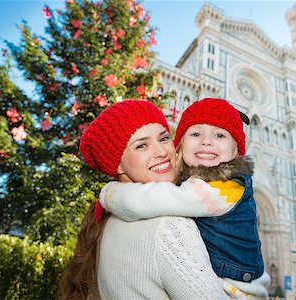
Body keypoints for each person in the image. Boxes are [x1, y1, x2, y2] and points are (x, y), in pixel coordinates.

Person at [99, 98, 270, 299]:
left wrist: (113, 194)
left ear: (236, 151)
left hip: (242, 288)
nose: (207, 141)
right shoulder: (171, 227)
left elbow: (159, 199)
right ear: (180, 144)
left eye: (163, 139)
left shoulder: (224, 188)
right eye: (196, 134)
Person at [59, 99, 229, 300]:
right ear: (118, 165)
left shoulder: (107, 223)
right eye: (141, 146)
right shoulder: (169, 226)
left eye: (164, 138)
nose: (162, 152)